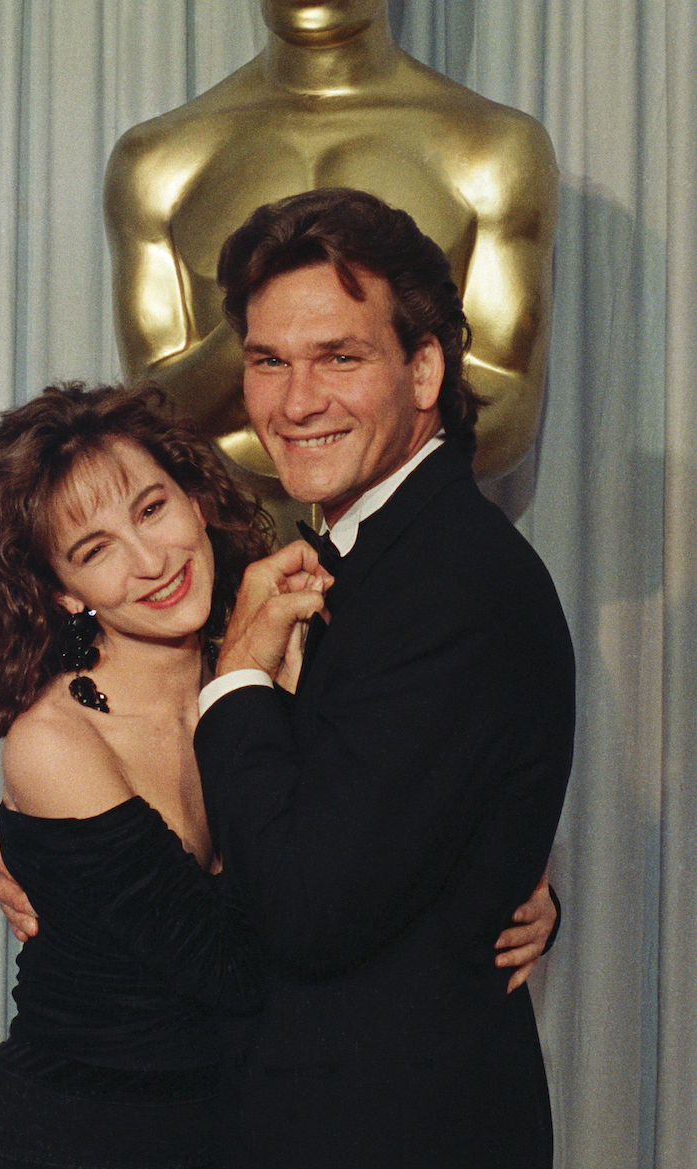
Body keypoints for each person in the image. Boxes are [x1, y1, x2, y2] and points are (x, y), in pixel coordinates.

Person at [189, 188, 575, 1167]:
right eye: (270, 361)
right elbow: (79, 673)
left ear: (424, 369)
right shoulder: (313, 561)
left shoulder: (449, 585)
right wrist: (63, 836)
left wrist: (237, 677)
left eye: (338, 357)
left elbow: (311, 902)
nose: (293, 400)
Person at [0, 382, 287, 1169]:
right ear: (63, 590)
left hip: (228, 1135)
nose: (151, 561)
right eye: (94, 548)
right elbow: (237, 966)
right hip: (66, 1144)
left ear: (198, 500)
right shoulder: (53, 740)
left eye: (151, 508)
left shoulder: (257, 676)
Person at [104, 0, 557, 534]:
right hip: (224, 573)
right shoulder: (158, 162)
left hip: (414, 565)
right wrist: (279, 328)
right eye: (268, 361)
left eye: (340, 356)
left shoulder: (492, 150)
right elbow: (148, 421)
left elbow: (506, 418)